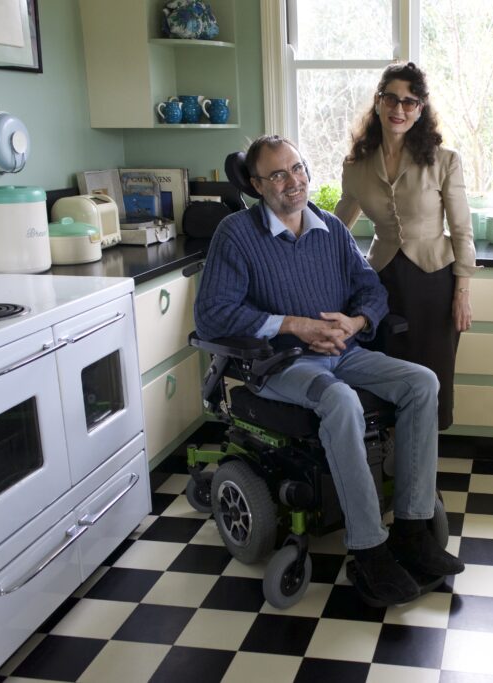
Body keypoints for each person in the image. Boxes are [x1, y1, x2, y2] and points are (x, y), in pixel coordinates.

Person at [194, 135, 464, 606]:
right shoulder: (237, 234)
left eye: (297, 168)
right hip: (278, 362)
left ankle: (414, 531)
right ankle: (369, 549)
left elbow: (371, 290)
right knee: (338, 399)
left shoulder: (330, 229)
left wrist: (358, 320)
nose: (292, 182)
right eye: (277, 174)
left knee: (423, 383)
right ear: (257, 185)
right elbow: (213, 314)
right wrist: (295, 326)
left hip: (345, 351)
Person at [335, 61, 477, 431]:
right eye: (392, 99)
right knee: (383, 381)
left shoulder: (445, 161)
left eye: (410, 102)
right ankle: (389, 472)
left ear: (421, 109)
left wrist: (461, 294)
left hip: (435, 284)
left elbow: (462, 230)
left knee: (432, 380)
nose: (399, 109)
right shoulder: (356, 166)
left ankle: (423, 480)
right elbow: (337, 226)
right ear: (378, 102)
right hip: (380, 285)